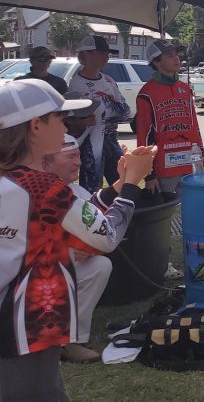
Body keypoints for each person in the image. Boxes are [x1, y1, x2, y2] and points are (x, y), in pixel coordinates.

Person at [0, 79, 155, 401]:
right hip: (24, 327)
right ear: (35, 126)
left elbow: (74, 216)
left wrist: (120, 184)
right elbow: (106, 237)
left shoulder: (16, 182)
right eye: (59, 118)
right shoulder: (44, 190)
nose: (67, 125)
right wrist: (131, 184)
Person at [39, 135, 107, 363]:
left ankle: (70, 341)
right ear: (46, 162)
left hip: (59, 268)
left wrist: (89, 249)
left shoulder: (78, 193)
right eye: (71, 157)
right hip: (23, 275)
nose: (78, 163)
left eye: (78, 155)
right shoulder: (21, 191)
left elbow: (101, 235)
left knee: (99, 266)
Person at [136, 39, 203, 194]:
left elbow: (194, 125)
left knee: (191, 210)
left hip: (190, 165)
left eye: (176, 55)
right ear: (156, 62)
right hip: (165, 169)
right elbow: (144, 136)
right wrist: (149, 174)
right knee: (171, 215)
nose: (176, 58)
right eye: (169, 56)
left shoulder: (185, 89)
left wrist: (200, 153)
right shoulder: (147, 93)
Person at [68, 34, 130, 193]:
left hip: (111, 138)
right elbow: (73, 119)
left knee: (123, 183)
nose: (107, 57)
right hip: (90, 142)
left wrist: (103, 111)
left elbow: (125, 111)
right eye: (102, 52)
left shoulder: (109, 80)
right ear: (87, 54)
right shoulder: (76, 84)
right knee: (91, 188)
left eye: (108, 53)